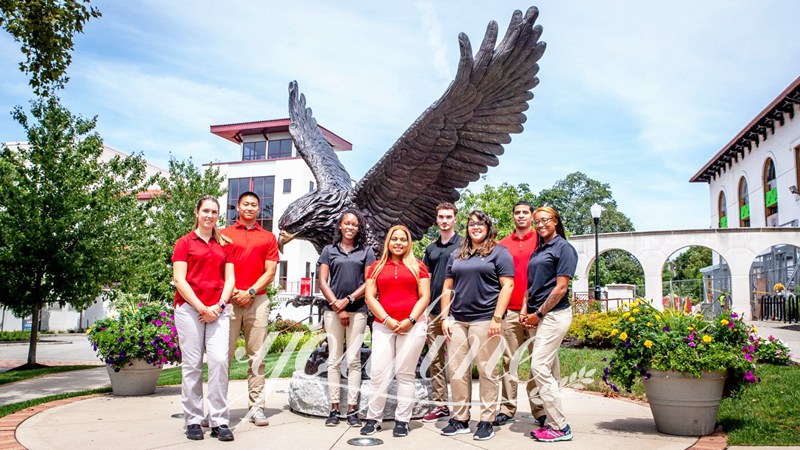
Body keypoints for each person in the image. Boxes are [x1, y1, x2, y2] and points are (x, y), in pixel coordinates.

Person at [440, 210, 514, 441]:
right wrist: (445, 317)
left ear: (488, 227)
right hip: (459, 320)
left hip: (485, 319)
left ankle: (486, 420)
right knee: (457, 371)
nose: (476, 227)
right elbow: (447, 288)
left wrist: (497, 319)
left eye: (480, 223)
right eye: (471, 224)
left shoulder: (499, 253)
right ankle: (460, 418)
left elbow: (508, 286)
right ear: (467, 228)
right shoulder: (456, 255)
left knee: (487, 370)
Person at [172, 195, 236, 442]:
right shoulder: (184, 243)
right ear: (196, 212)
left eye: (214, 212)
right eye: (205, 211)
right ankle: (194, 420)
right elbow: (180, 280)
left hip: (218, 310)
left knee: (220, 361)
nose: (210, 215)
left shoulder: (225, 244)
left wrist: (218, 306)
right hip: (189, 310)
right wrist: (201, 308)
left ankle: (219, 420)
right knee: (192, 366)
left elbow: (230, 279)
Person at [361, 225, 431, 437]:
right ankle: (373, 419)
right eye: (394, 239)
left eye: (403, 239)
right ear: (388, 242)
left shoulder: (418, 267)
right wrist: (387, 319)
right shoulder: (376, 266)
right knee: (378, 373)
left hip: (413, 325)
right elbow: (369, 296)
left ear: (409, 243)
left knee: (405, 374)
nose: (398, 243)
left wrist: (410, 320)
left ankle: (403, 420)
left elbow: (425, 296)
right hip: (384, 326)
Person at [220, 191, 279, 427]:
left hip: (257, 301)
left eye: (254, 204)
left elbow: (271, 271)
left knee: (257, 358)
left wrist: (250, 292)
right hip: (229, 301)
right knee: (221, 358)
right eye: (246, 204)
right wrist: (233, 293)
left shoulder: (268, 237)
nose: (250, 207)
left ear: (258, 208)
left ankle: (257, 408)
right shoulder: (224, 235)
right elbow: (219, 266)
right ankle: (218, 409)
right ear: (238, 206)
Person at [521, 206, 578, 443]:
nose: (540, 224)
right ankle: (554, 421)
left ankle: (560, 427)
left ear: (555, 221)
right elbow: (532, 283)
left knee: (539, 367)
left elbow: (561, 287)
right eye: (537, 221)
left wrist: (538, 313)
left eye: (545, 220)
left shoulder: (564, 248)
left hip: (554, 316)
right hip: (539, 315)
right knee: (550, 372)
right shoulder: (540, 248)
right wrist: (526, 309)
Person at [318, 209, 376, 427]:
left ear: (358, 228)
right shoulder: (328, 251)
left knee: (353, 361)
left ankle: (352, 409)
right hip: (332, 311)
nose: (351, 227)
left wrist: (349, 299)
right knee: (334, 359)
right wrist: (337, 305)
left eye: (355, 224)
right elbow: (323, 282)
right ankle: (334, 408)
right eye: (347, 223)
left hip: (358, 310)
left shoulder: (366, 252)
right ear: (340, 226)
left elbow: (369, 282)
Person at [494, 201, 540, 426]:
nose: (521, 216)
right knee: (509, 361)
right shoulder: (502, 246)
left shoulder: (542, 241)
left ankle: (539, 409)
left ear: (531, 216)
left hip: (536, 312)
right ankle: (507, 407)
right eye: (517, 213)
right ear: (513, 216)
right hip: (510, 312)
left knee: (537, 362)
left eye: (525, 212)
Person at [421, 202, 461, 423]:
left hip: (458, 311)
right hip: (434, 311)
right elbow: (425, 278)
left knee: (457, 361)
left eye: (448, 217)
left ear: (455, 219)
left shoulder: (463, 245)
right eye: (441, 217)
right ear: (436, 220)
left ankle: (460, 407)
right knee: (436, 360)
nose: (444, 220)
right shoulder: (431, 249)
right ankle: (441, 405)